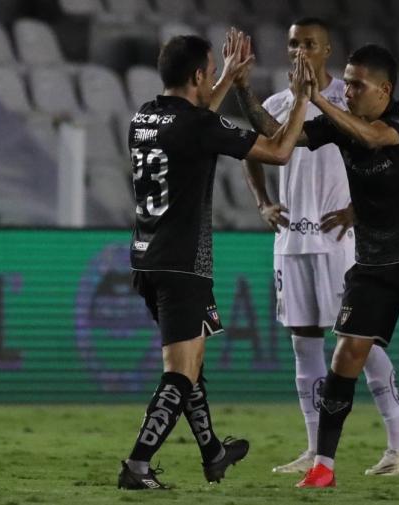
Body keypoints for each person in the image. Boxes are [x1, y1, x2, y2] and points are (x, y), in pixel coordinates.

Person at [235, 43, 399, 491]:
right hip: (376, 261)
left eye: (358, 84)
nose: (351, 91)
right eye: (348, 80)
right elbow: (275, 133)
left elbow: (375, 139)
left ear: (384, 90)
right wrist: (244, 91)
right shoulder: (339, 127)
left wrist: (318, 97)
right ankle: (323, 463)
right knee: (345, 357)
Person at [117, 30, 313, 490]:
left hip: (148, 257)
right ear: (197, 75)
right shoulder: (199, 126)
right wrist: (303, 98)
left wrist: (225, 78)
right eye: (209, 73)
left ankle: (213, 454)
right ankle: (137, 466)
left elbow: (193, 120)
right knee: (180, 373)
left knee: (193, 364)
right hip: (184, 263)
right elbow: (281, 151)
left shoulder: (143, 117)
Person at [239, 18, 399, 476]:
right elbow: (252, 151)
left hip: (340, 241)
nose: (300, 50)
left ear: (327, 50)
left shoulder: (348, 100)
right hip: (291, 240)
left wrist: (361, 209)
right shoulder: (279, 104)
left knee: (360, 342)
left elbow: (387, 156)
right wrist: (262, 203)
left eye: (310, 44)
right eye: (294, 43)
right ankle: (315, 448)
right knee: (304, 344)